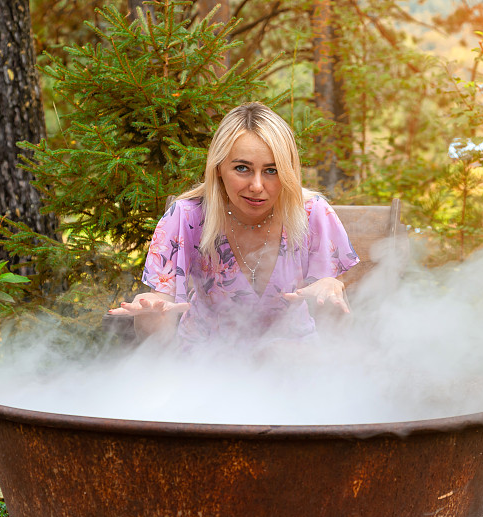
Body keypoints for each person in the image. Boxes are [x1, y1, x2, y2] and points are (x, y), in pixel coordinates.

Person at [109, 102, 358, 343]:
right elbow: (156, 337)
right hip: (207, 363)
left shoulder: (313, 213)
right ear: (218, 167)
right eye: (242, 168)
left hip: (291, 360)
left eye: (272, 170)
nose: (257, 186)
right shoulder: (187, 216)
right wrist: (151, 316)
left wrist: (333, 290)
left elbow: (335, 332)